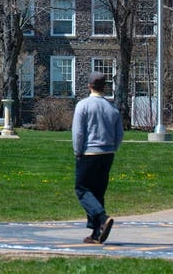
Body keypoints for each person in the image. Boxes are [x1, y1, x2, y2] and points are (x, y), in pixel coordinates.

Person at [71, 71, 123, 244]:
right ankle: (95, 234)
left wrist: (77, 151)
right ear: (104, 87)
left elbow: (78, 132)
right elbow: (119, 134)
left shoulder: (83, 105)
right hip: (107, 154)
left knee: (82, 189)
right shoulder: (112, 108)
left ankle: (102, 218)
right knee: (98, 191)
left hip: (89, 153)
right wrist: (113, 147)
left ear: (89, 86)